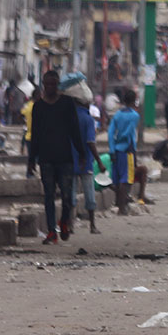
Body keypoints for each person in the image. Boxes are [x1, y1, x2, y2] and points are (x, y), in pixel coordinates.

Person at [31, 70, 83, 243]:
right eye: (48, 84)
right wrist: (31, 159)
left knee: (67, 196)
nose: (51, 87)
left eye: (54, 84)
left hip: (65, 157)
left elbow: (75, 130)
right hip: (46, 159)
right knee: (49, 196)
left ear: (58, 84)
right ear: (43, 85)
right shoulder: (38, 106)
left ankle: (64, 221)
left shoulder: (67, 103)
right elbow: (35, 134)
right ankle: (52, 231)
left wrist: (81, 152)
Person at [107, 89, 140, 216]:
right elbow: (130, 134)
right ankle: (122, 207)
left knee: (117, 177)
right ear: (133, 101)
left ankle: (119, 203)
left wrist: (112, 149)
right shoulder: (135, 116)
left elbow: (111, 133)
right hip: (127, 150)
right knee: (125, 179)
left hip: (116, 149)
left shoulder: (117, 115)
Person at [72, 93, 101, 233]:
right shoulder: (88, 119)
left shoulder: (69, 118)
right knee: (89, 193)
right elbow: (90, 142)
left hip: (70, 160)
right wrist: (99, 161)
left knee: (70, 194)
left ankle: (69, 225)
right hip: (86, 161)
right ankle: (93, 226)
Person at [21, 89, 37, 177]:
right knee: (35, 157)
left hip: (28, 134)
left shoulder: (27, 105)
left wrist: (26, 121)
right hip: (35, 135)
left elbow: (21, 115)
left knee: (31, 156)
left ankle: (29, 173)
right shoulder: (37, 106)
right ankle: (30, 173)